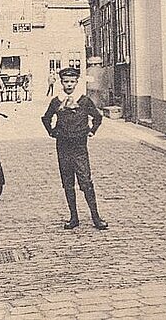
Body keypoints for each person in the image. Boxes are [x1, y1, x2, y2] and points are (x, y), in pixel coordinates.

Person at [41, 66, 108, 231]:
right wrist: (52, 132)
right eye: (66, 81)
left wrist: (92, 131)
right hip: (63, 146)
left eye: (72, 81)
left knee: (85, 181)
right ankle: (74, 217)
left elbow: (97, 117)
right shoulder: (56, 101)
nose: (69, 85)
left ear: (77, 82)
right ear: (61, 82)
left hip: (79, 146)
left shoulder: (84, 101)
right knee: (68, 182)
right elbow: (46, 118)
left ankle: (96, 217)